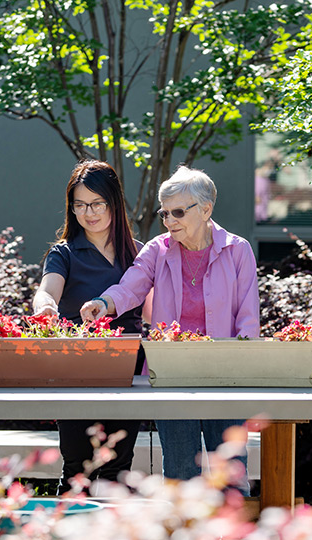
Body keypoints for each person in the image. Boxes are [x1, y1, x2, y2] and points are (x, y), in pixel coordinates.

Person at [79, 164, 260, 495]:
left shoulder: (237, 250)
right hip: (172, 376)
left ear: (206, 209)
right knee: (179, 479)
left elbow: (248, 319)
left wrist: (245, 373)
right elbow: (130, 286)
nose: (169, 221)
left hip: (226, 377)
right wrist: (104, 304)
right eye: (164, 213)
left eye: (178, 212)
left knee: (232, 477)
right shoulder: (157, 250)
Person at [32, 159, 144, 494]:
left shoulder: (137, 254)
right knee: (76, 469)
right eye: (79, 205)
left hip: (127, 371)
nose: (88, 213)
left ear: (114, 203)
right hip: (76, 369)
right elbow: (46, 291)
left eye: (97, 203)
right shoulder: (64, 253)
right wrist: (46, 308)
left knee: (118, 467)